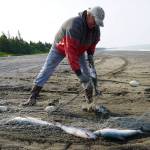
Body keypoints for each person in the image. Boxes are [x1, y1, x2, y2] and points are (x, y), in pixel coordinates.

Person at [22, 6, 105, 106]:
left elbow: (93, 43)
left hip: (79, 50)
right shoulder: (74, 25)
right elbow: (71, 53)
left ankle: (90, 101)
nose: (95, 24)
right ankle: (33, 97)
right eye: (95, 21)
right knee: (47, 69)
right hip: (59, 47)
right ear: (89, 15)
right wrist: (79, 74)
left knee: (87, 73)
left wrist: (90, 55)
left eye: (97, 22)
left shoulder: (95, 29)